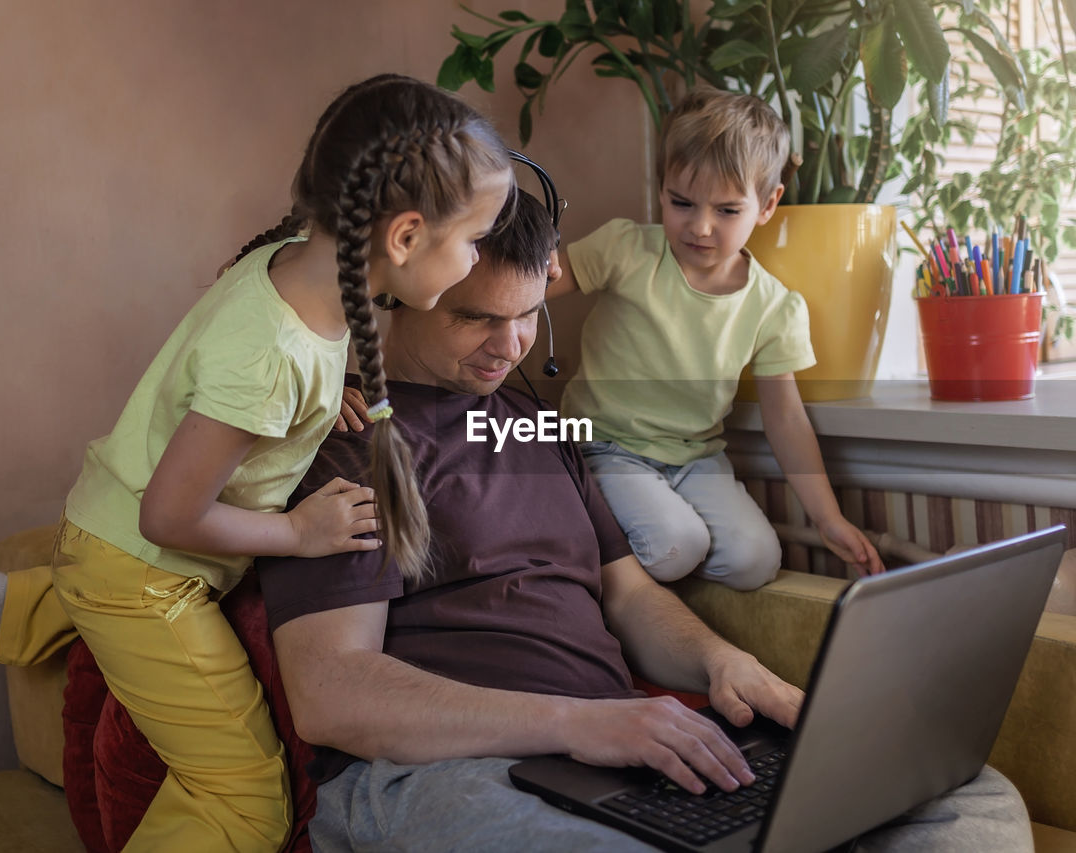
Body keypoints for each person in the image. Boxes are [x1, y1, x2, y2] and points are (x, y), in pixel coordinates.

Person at [257, 190, 1032, 852]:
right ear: (401, 286)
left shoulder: (528, 422)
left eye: (529, 315)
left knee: (962, 790)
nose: (511, 345)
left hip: (607, 757)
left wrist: (725, 662)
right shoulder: (348, 439)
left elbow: (627, 595)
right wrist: (575, 723)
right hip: (438, 776)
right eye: (478, 319)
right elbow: (334, 692)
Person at [0, 74, 514, 852]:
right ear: (403, 238)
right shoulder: (272, 354)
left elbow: (273, 369)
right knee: (247, 801)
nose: (475, 260)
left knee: (92, 575)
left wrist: (321, 388)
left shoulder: (294, 264)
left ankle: (22, 598)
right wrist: (300, 533)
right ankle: (50, 593)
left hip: (106, 534)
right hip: (145, 569)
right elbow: (167, 516)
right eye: (473, 240)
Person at [545, 88, 884, 591]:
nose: (700, 226)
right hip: (605, 445)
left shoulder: (773, 306)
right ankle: (597, 557)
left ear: (767, 205)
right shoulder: (625, 248)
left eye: (727, 211)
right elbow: (536, 286)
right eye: (681, 203)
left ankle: (648, 582)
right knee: (676, 545)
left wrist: (828, 517)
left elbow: (786, 419)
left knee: (755, 562)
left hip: (696, 457)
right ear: (660, 189)